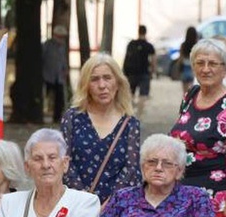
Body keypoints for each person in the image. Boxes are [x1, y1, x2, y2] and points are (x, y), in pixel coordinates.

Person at [169, 38, 226, 217]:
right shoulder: (190, 96)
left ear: (225, 69)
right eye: (200, 63)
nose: (206, 69)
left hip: (215, 197)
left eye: (213, 63)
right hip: (181, 193)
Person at [61, 53, 141, 205]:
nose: (102, 85)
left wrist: (109, 204)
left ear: (117, 82)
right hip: (76, 204)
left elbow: (131, 169)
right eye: (94, 79)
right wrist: (85, 201)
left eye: (107, 78)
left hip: (118, 207)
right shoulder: (72, 118)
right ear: (86, 85)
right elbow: (64, 162)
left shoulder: (130, 123)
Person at [123, 25, 156, 107]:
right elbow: (153, 61)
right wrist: (152, 72)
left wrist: (125, 71)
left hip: (132, 72)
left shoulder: (131, 44)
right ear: (145, 32)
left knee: (131, 92)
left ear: (138, 32)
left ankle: (130, 112)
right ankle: (139, 115)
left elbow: (126, 57)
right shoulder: (149, 46)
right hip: (144, 72)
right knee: (143, 95)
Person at [42, 25, 69, 123]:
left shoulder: (63, 46)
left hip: (59, 76)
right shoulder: (47, 45)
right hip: (47, 75)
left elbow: (63, 60)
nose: (62, 39)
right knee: (45, 95)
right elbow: (42, 58)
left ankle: (57, 118)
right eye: (60, 36)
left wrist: (65, 69)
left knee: (60, 98)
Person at [179, 26, 199, 93]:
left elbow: (181, 58)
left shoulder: (183, 45)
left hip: (185, 68)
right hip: (193, 67)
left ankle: (185, 102)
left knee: (184, 92)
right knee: (191, 90)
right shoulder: (197, 45)